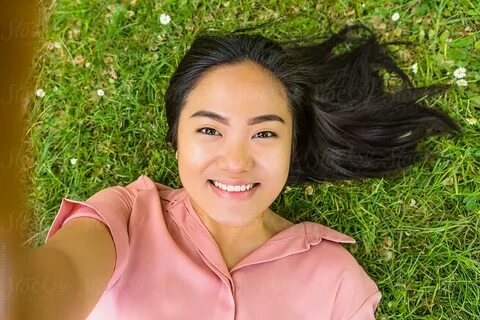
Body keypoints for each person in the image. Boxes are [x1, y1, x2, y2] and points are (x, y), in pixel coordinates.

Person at [7, 25, 459, 319]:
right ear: (175, 138)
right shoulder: (124, 220)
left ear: (293, 146)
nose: (236, 161)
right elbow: (45, 287)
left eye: (264, 134)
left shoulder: (338, 282)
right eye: (209, 129)